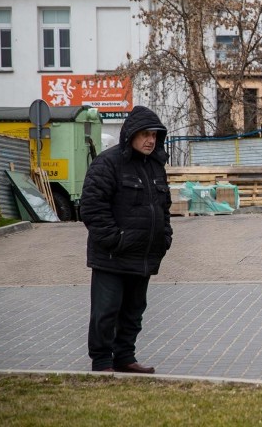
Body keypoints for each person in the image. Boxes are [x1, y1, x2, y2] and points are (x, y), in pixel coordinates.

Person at [79, 106, 173, 373]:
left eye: (154, 135)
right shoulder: (107, 164)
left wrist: (164, 238)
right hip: (112, 256)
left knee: (133, 313)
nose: (150, 140)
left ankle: (125, 358)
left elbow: (163, 207)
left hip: (143, 256)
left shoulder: (155, 166)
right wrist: (115, 240)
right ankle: (102, 362)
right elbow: (92, 207)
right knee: (106, 312)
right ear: (130, 135)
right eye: (144, 134)